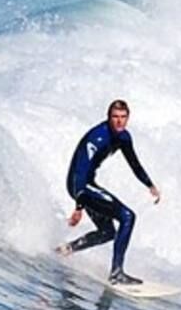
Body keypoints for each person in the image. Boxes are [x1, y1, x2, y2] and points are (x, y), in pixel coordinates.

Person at [57, 99, 162, 286]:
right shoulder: (97, 139)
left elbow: (134, 164)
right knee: (127, 217)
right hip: (79, 186)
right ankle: (116, 273)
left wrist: (149, 184)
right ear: (108, 118)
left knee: (107, 232)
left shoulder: (124, 138)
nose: (119, 121)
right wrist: (79, 207)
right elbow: (80, 173)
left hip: (88, 185)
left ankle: (65, 250)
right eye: (115, 117)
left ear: (128, 118)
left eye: (123, 117)